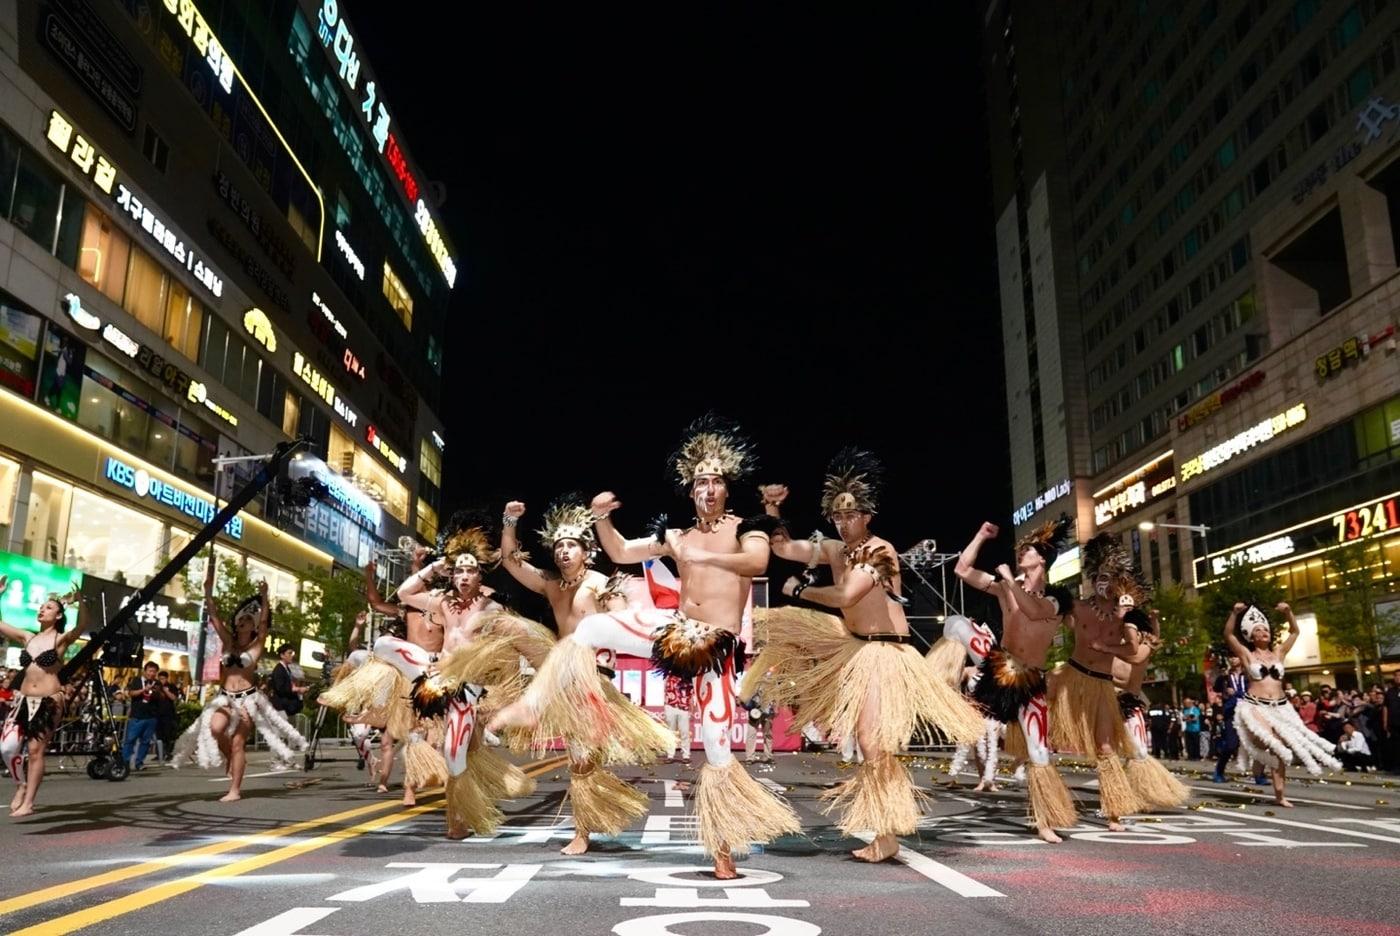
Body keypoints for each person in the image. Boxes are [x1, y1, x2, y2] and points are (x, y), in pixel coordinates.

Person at [489, 414, 799, 879]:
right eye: (700, 482)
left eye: (715, 481)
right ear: (690, 488)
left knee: (716, 747)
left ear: (727, 487)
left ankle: (722, 849)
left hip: (716, 645)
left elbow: (757, 561)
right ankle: (533, 706)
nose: (708, 489)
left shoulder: (746, 525)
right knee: (590, 632)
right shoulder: (678, 534)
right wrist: (600, 518)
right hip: (676, 628)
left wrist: (699, 555)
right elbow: (620, 552)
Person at [754, 448, 985, 861]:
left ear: (867, 516)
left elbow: (845, 594)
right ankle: (886, 827)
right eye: (837, 517)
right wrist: (771, 508)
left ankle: (886, 832)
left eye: (851, 516)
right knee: (868, 742)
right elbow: (783, 547)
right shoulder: (834, 550)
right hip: (855, 647)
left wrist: (800, 590)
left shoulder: (881, 551)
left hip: (885, 652)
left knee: (872, 742)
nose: (843, 523)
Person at [489, 495, 668, 854]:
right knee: (580, 758)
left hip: (592, 679)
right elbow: (510, 562)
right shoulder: (553, 585)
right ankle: (591, 822)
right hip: (563, 678)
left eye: (571, 545)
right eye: (559, 546)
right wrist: (509, 522)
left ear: (587, 551)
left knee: (583, 758)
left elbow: (621, 623)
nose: (563, 552)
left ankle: (584, 832)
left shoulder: (601, 584)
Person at [950, 515, 1080, 842]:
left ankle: (1044, 821)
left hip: (1031, 681)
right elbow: (962, 571)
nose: (1022, 552)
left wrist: (1008, 580)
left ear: (1043, 560)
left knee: (1039, 753)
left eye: (1030, 550)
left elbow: (1035, 612)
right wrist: (980, 535)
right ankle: (938, 682)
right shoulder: (1007, 588)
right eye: (1022, 549)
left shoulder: (1058, 598)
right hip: (999, 668)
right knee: (955, 624)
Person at [172, 571, 306, 800]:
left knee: (237, 742)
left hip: (248, 699)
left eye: (247, 620)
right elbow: (214, 617)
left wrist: (265, 596)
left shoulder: (256, 645)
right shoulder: (228, 641)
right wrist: (207, 591)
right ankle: (232, 759)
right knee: (214, 729)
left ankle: (234, 790)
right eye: (240, 619)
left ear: (253, 627)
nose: (242, 621)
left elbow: (264, 622)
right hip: (224, 697)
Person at [1045, 533, 1147, 830]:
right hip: (1071, 677)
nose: (1104, 583)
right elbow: (1044, 616)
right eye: (1100, 576)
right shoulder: (1077, 607)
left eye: (1110, 578)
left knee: (1105, 747)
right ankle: (1045, 797)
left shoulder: (1126, 615)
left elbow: (1135, 654)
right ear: (1092, 578)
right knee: (1043, 733)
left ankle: (1114, 811)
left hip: (1102, 685)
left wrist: (1113, 643)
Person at [1223, 602, 1340, 807]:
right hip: (1255, 706)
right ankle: (1256, 755)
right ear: (1251, 636)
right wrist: (1234, 613)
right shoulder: (1247, 654)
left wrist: (1288, 613)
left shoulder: (1279, 653)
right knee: (1268, 740)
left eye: (1266, 629)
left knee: (1280, 747)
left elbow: (1295, 632)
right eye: (1258, 630)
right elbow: (1229, 636)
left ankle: (1279, 794)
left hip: (1280, 706)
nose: (1263, 632)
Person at [0, 578, 83, 817]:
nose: (42, 609)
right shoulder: (28, 637)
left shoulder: (60, 640)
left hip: (48, 700)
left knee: (36, 751)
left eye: (48, 607)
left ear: (58, 615)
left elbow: (82, 625)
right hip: (23, 700)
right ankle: (20, 785)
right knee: (7, 748)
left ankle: (29, 801)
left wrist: (81, 604)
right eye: (41, 606)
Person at [122, 661, 165, 771]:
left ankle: (139, 762)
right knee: (130, 740)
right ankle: (124, 761)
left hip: (151, 717)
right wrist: (144, 690)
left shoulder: (157, 683)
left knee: (146, 741)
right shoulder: (137, 680)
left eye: (154, 672)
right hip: (137, 716)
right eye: (150, 671)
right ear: (145, 671)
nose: (152, 673)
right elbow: (131, 693)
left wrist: (156, 691)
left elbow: (162, 697)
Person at [663, 673, 694, 766]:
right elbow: (665, 690)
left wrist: (691, 710)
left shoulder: (688, 679)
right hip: (671, 705)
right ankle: (670, 755)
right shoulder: (669, 676)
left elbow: (691, 695)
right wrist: (665, 705)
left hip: (683, 707)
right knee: (670, 732)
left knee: (684, 732)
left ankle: (686, 755)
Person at [268, 645, 305, 720]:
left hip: (284, 708)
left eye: (293, 654)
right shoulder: (279, 670)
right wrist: (296, 689)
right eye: (289, 653)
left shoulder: (286, 669)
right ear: (282, 655)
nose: (292, 656)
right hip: (279, 707)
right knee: (279, 730)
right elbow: (280, 688)